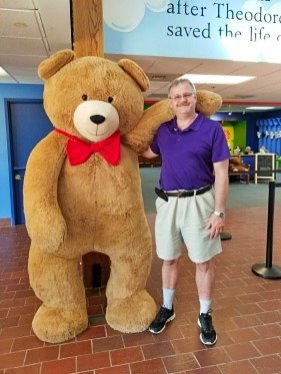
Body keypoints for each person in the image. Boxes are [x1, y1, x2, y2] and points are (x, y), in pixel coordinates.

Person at [142, 78, 230, 345]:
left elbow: (222, 173)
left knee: (203, 262)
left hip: (200, 203)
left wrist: (219, 212)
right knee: (168, 259)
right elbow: (147, 152)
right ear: (171, 102)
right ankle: (167, 308)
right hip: (167, 204)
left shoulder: (211, 130)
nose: (182, 100)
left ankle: (205, 314)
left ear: (195, 98)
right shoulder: (164, 131)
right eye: (176, 96)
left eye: (186, 95)